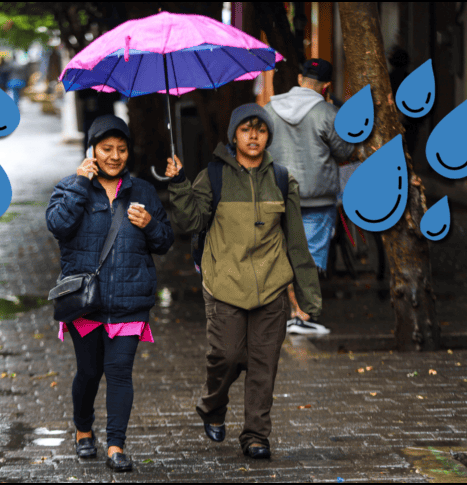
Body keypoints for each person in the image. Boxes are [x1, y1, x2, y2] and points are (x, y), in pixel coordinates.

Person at [164, 103, 322, 459]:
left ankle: (256, 435)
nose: (254, 136)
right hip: (225, 283)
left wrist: (308, 296)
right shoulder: (214, 176)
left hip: (271, 286)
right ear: (233, 135)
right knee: (227, 355)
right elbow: (191, 221)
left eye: (261, 130)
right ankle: (213, 406)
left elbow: (296, 240)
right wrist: (178, 183)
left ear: (268, 136)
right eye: (246, 129)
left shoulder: (282, 179)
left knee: (264, 365)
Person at [46, 115, 175, 472]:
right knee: (89, 372)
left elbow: (165, 242)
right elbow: (58, 225)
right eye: (107, 149)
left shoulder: (144, 191)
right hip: (85, 302)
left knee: (119, 371)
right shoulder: (71, 186)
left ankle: (116, 445)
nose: (115, 156)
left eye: (121, 149)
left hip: (129, 301)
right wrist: (78, 185)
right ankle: (83, 430)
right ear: (93, 151)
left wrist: (150, 225)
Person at [264, 58, 354, 335]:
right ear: (326, 87)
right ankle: (304, 314)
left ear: (301, 79)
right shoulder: (329, 113)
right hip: (318, 199)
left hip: (278, 196)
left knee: (283, 254)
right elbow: (345, 152)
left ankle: (289, 312)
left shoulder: (269, 109)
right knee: (311, 257)